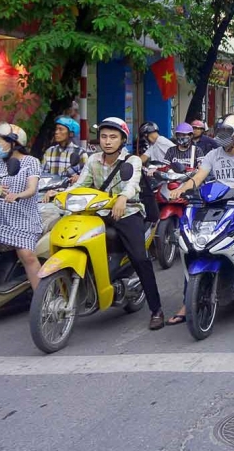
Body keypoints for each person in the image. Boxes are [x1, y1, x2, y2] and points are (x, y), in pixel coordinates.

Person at [168, 115, 234, 324]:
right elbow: (198, 178)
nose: (222, 139)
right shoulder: (213, 155)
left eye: (228, 135)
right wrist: (180, 189)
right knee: (194, 247)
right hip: (214, 206)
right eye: (221, 134)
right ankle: (188, 302)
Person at [71, 117, 165, 329]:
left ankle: (156, 309)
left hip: (127, 212)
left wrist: (122, 198)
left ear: (122, 139)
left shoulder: (132, 161)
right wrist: (59, 194)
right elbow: (79, 185)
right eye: (104, 136)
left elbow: (131, 184)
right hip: (97, 211)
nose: (107, 141)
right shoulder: (93, 160)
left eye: (113, 137)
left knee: (140, 258)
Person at [0, 123, 44, 291]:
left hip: (23, 220)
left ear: (13, 143)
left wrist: (18, 195)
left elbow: (32, 189)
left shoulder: (30, 162)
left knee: (27, 255)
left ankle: (42, 299)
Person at [42, 116, 85, 181]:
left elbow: (86, 176)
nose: (56, 132)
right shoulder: (49, 151)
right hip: (50, 189)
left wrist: (78, 178)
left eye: (60, 129)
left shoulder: (80, 153)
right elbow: (43, 175)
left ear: (71, 133)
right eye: (56, 129)